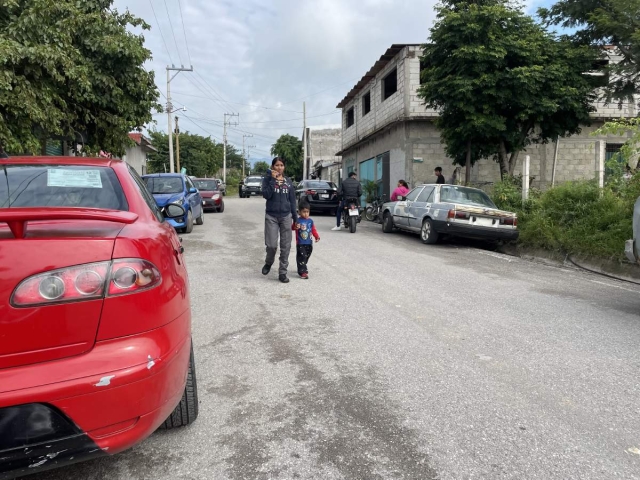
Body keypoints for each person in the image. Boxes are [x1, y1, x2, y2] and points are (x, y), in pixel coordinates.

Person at [262, 157, 298, 283]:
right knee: (271, 245)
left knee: (285, 246)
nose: (279, 167)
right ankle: (268, 262)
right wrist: (272, 180)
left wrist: (296, 218)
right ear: (273, 167)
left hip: (286, 216)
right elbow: (266, 195)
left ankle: (282, 272)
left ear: (284, 167)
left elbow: (292, 201)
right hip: (271, 216)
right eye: (277, 165)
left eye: (282, 165)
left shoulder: (288, 182)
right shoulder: (267, 180)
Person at [293, 200, 320, 279]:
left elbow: (313, 229)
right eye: (304, 212)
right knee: (302, 256)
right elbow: (292, 227)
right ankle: (303, 272)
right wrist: (295, 227)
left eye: (307, 212)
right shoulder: (297, 220)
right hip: (300, 242)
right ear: (299, 212)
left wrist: (317, 236)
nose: (306, 214)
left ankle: (302, 264)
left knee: (306, 255)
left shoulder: (310, 221)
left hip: (309, 242)